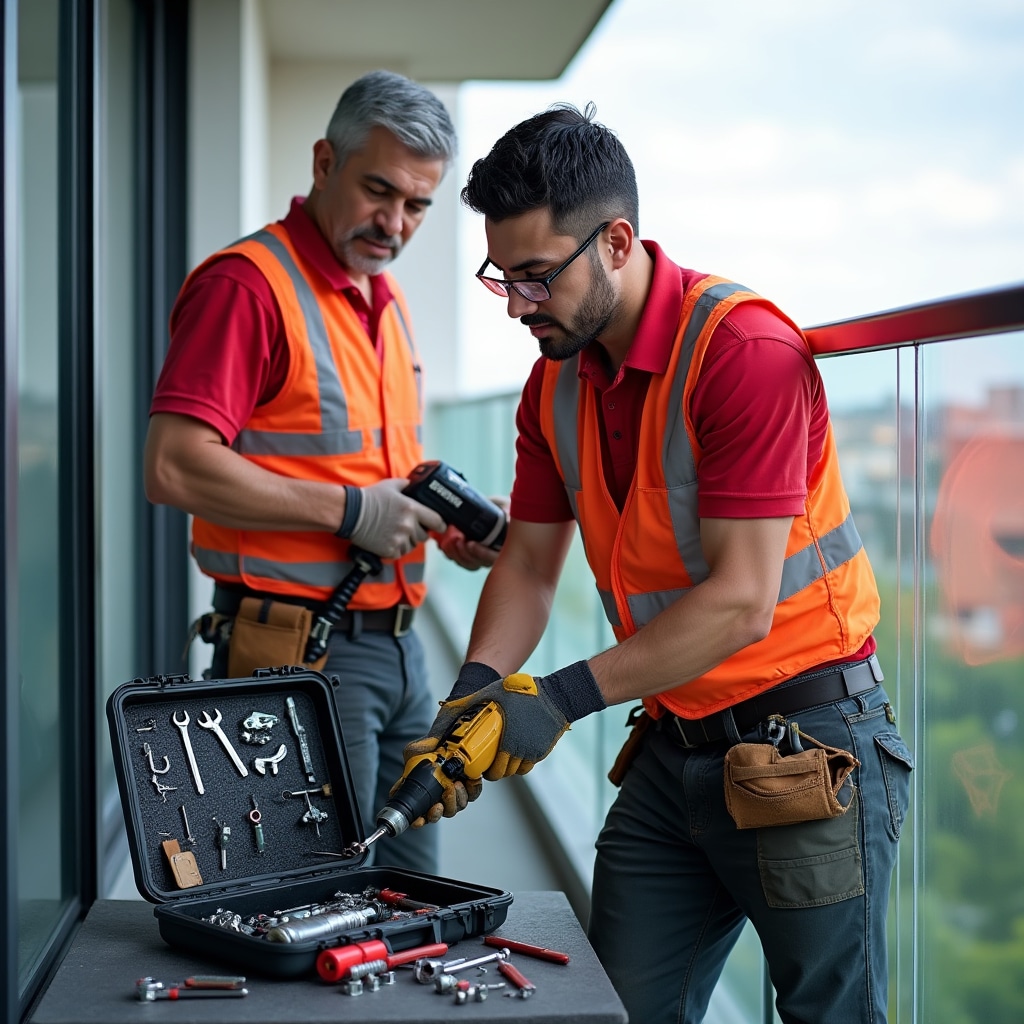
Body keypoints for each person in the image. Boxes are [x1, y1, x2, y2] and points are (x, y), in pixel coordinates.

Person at [401, 104, 914, 1023]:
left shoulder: (743, 354)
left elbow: (742, 602)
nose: (517, 304)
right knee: (617, 1008)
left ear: (616, 242)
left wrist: (557, 699)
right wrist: (472, 696)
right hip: (675, 745)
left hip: (808, 746)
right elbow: (528, 564)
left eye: (536, 276)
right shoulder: (553, 380)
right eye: (501, 277)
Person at [144, 70, 499, 875]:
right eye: (379, 191)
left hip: (401, 653)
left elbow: (365, 465)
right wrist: (354, 512)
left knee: (410, 898)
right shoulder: (246, 287)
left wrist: (437, 524)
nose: (395, 223)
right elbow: (172, 467)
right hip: (300, 652)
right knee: (313, 898)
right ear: (323, 162)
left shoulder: (383, 298)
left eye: (417, 205)